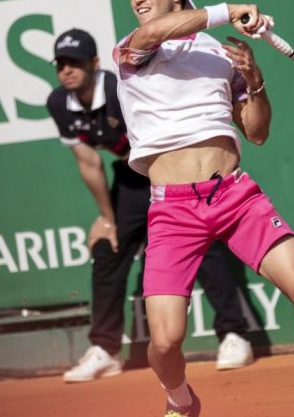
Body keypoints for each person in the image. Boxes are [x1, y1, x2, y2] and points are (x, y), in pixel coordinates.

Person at [112, 0, 294, 417]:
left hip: (233, 196)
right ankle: (181, 401)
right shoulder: (132, 49)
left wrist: (255, 78)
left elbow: (257, 132)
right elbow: (153, 33)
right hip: (171, 210)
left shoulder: (220, 54)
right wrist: (230, 10)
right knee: (165, 342)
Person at [46, 28, 255, 383]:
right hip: (131, 179)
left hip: (171, 169)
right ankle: (105, 350)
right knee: (108, 249)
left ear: (94, 64)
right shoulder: (58, 103)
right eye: (61, 64)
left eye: (75, 63)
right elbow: (89, 162)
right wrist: (107, 219)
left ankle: (234, 335)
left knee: (204, 245)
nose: (67, 70)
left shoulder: (119, 88)